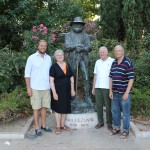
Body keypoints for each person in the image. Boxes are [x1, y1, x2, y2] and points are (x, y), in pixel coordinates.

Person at [25, 40, 52, 136]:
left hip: (46, 87)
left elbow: (50, 74)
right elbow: (27, 75)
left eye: (45, 46)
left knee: (44, 107)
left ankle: (44, 125)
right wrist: (28, 88)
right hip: (35, 88)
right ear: (38, 46)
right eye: (41, 45)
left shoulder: (48, 58)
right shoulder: (31, 58)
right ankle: (37, 127)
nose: (43, 47)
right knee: (36, 108)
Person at [65, 17, 92, 105]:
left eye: (79, 24)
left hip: (84, 59)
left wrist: (82, 48)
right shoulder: (68, 35)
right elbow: (66, 47)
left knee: (86, 77)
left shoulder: (86, 36)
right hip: (72, 59)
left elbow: (89, 47)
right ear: (72, 25)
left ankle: (87, 97)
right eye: (76, 24)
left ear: (82, 26)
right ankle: (72, 98)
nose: (77, 26)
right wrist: (76, 46)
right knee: (72, 78)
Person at [109, 44, 134, 139]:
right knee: (115, 112)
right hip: (115, 93)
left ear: (122, 51)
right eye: (115, 51)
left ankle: (126, 130)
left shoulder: (127, 62)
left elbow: (131, 78)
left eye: (118, 50)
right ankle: (116, 128)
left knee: (126, 114)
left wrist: (127, 93)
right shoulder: (114, 62)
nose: (117, 52)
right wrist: (110, 90)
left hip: (124, 93)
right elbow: (111, 77)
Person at [50, 50, 75, 135]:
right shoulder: (53, 67)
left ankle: (62, 125)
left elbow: (71, 77)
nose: (60, 56)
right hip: (58, 91)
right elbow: (51, 81)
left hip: (67, 91)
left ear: (63, 56)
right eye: (58, 55)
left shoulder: (67, 65)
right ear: (55, 57)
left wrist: (72, 89)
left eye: (61, 55)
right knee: (58, 108)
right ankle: (57, 126)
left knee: (65, 108)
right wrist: (54, 93)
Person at [92, 46, 114, 130]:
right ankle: (100, 122)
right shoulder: (97, 62)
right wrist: (93, 87)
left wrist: (111, 89)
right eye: (100, 52)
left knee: (108, 107)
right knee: (98, 106)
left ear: (107, 52)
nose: (101, 53)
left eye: (103, 52)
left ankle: (109, 123)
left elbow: (113, 76)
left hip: (108, 88)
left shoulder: (112, 61)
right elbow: (95, 75)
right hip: (98, 87)